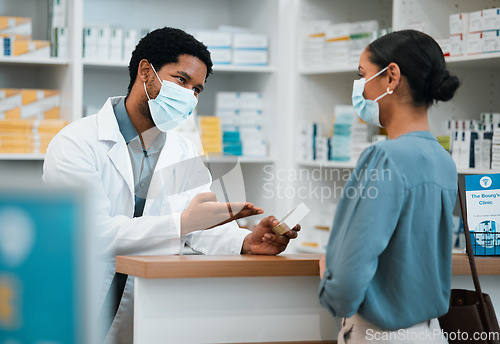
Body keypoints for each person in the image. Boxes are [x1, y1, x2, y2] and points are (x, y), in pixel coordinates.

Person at [43, 27, 300, 344]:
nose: (190, 96)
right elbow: (90, 234)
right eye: (182, 80)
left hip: (153, 310)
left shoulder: (185, 150)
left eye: (198, 90)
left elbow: (196, 228)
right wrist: (181, 223)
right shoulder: (76, 143)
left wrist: (247, 242)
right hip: (80, 304)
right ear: (145, 72)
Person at [318, 30, 460, 343]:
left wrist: (329, 280)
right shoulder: (443, 159)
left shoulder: (384, 157)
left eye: (362, 74)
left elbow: (347, 276)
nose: (360, 88)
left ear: (391, 76)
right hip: (429, 332)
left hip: (380, 334)